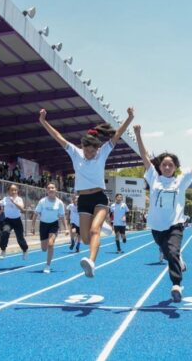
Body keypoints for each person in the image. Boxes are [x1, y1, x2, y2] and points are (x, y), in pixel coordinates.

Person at [39, 107, 135, 277]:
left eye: (93, 151)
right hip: (83, 199)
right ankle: (101, 229)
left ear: (98, 149)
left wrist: (129, 118)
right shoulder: (75, 153)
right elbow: (58, 137)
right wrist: (43, 121)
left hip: (99, 197)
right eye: (87, 150)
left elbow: (117, 134)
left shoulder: (103, 152)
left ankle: (91, 261)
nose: (90, 154)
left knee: (94, 231)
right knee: (84, 239)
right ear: (82, 146)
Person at [134, 124, 192, 302]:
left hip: (175, 225)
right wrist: (137, 134)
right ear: (160, 167)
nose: (167, 167)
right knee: (168, 254)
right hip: (156, 227)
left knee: (172, 252)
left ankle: (176, 284)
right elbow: (144, 156)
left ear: (175, 167)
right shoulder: (153, 177)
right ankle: (179, 263)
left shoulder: (181, 181)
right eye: (164, 164)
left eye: (170, 165)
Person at [31, 183, 68, 273]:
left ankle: (47, 265)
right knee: (44, 248)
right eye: (49, 188)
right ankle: (47, 240)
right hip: (43, 225)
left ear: (56, 189)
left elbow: (62, 216)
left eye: (52, 187)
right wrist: (32, 226)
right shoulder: (42, 201)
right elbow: (35, 214)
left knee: (51, 244)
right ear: (46, 190)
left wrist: (66, 228)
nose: (51, 189)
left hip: (54, 225)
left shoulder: (59, 203)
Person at [0, 185, 29, 260]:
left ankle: (25, 250)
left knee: (20, 238)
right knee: (5, 233)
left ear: (17, 191)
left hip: (17, 220)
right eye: (12, 190)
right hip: (8, 220)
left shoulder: (19, 199)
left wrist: (14, 202)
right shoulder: (5, 199)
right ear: (9, 191)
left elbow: (22, 208)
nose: (14, 192)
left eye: (15, 190)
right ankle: (3, 250)